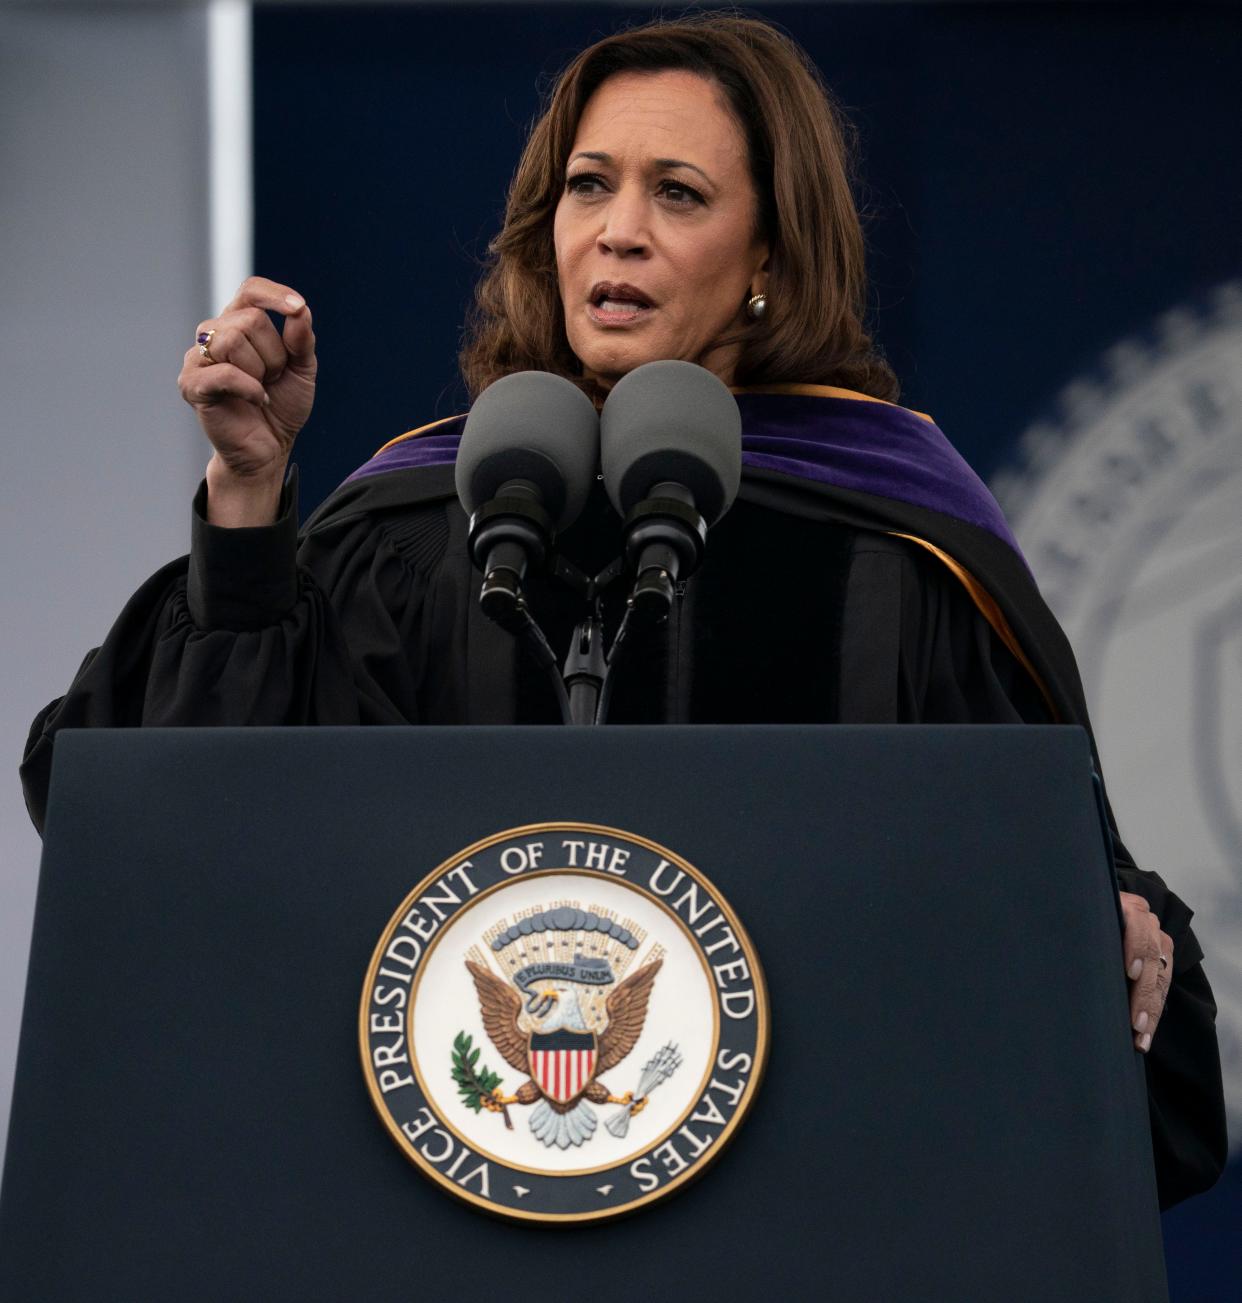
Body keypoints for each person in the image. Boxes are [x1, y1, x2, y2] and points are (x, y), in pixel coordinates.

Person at [20, 13, 1224, 1207]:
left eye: (681, 194)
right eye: (588, 185)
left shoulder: (892, 544)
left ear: (771, 257)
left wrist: (1102, 922)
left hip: (813, 1224)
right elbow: (187, 839)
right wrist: (247, 492)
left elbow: (1048, 912)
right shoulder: (418, 525)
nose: (620, 232)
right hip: (434, 1218)